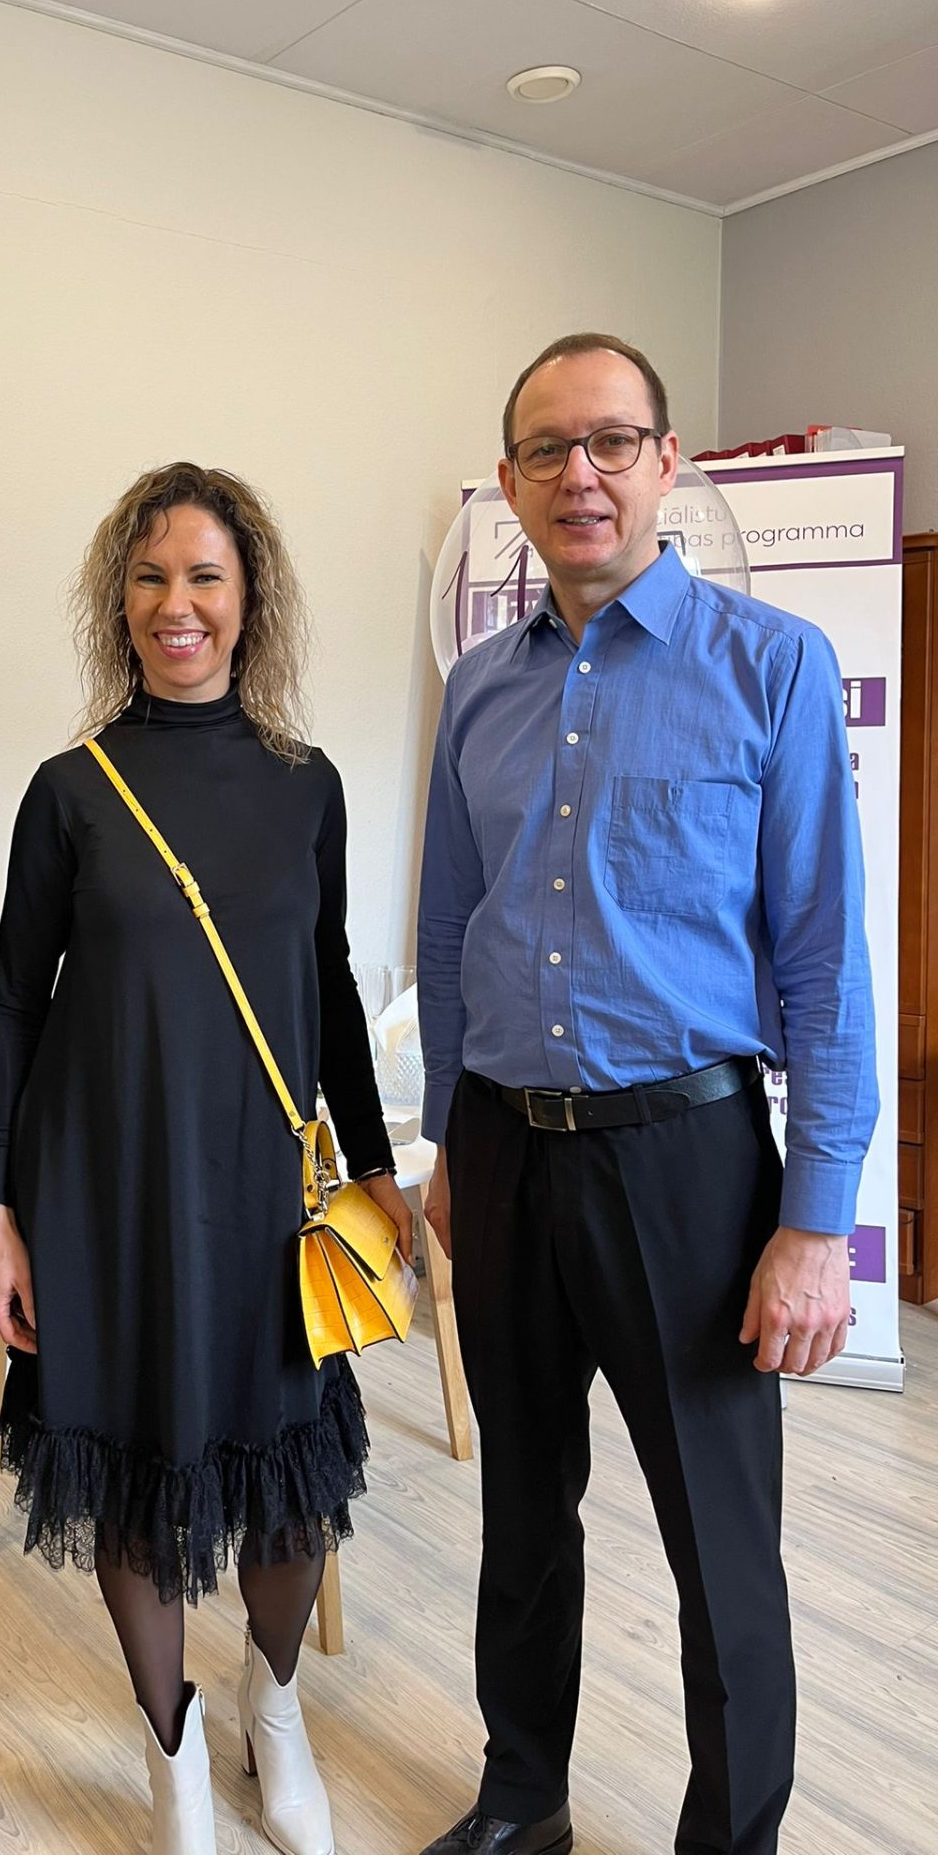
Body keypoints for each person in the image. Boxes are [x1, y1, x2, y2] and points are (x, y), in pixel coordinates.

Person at [415, 333, 876, 1855]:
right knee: (521, 1514)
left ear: (667, 463)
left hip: (686, 1159)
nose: (582, 474)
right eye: (548, 449)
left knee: (719, 1546)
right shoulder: (477, 690)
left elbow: (825, 964)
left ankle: (730, 1836)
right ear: (510, 482)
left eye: (612, 441)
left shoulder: (771, 667)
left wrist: (818, 1221)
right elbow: (450, 928)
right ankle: (522, 1799)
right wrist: (449, 1142)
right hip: (505, 1147)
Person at [0, 462, 410, 1855]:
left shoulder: (306, 787)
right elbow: (12, 1004)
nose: (178, 603)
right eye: (151, 576)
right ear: (120, 601)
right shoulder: (71, 791)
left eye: (205, 576)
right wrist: (0, 1204)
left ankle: (272, 1707)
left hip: (260, 1189)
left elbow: (328, 983)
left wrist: (377, 1165)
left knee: (289, 1475)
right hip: (100, 1191)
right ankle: (170, 1754)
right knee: (134, 1469)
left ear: (249, 599)